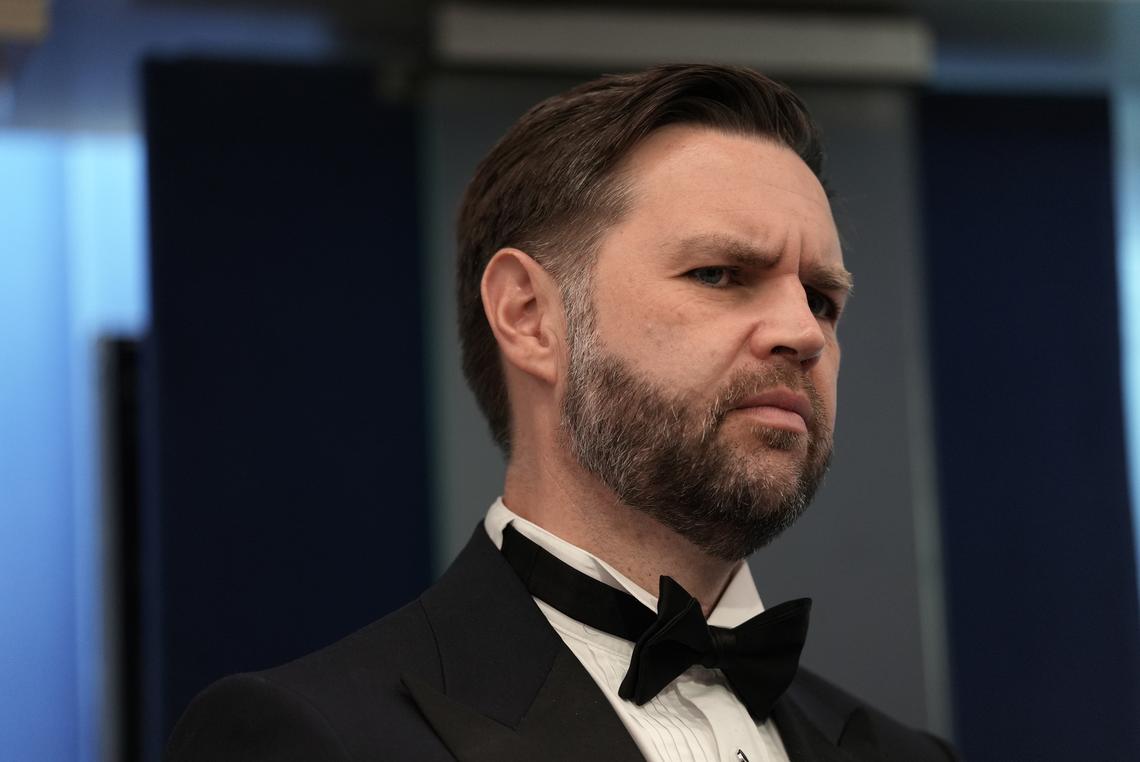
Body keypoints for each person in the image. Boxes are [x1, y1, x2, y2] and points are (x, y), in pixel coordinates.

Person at [167, 63, 959, 761]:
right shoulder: (310, 737)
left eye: (822, 299)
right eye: (720, 274)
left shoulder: (907, 754)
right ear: (529, 317)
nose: (801, 334)